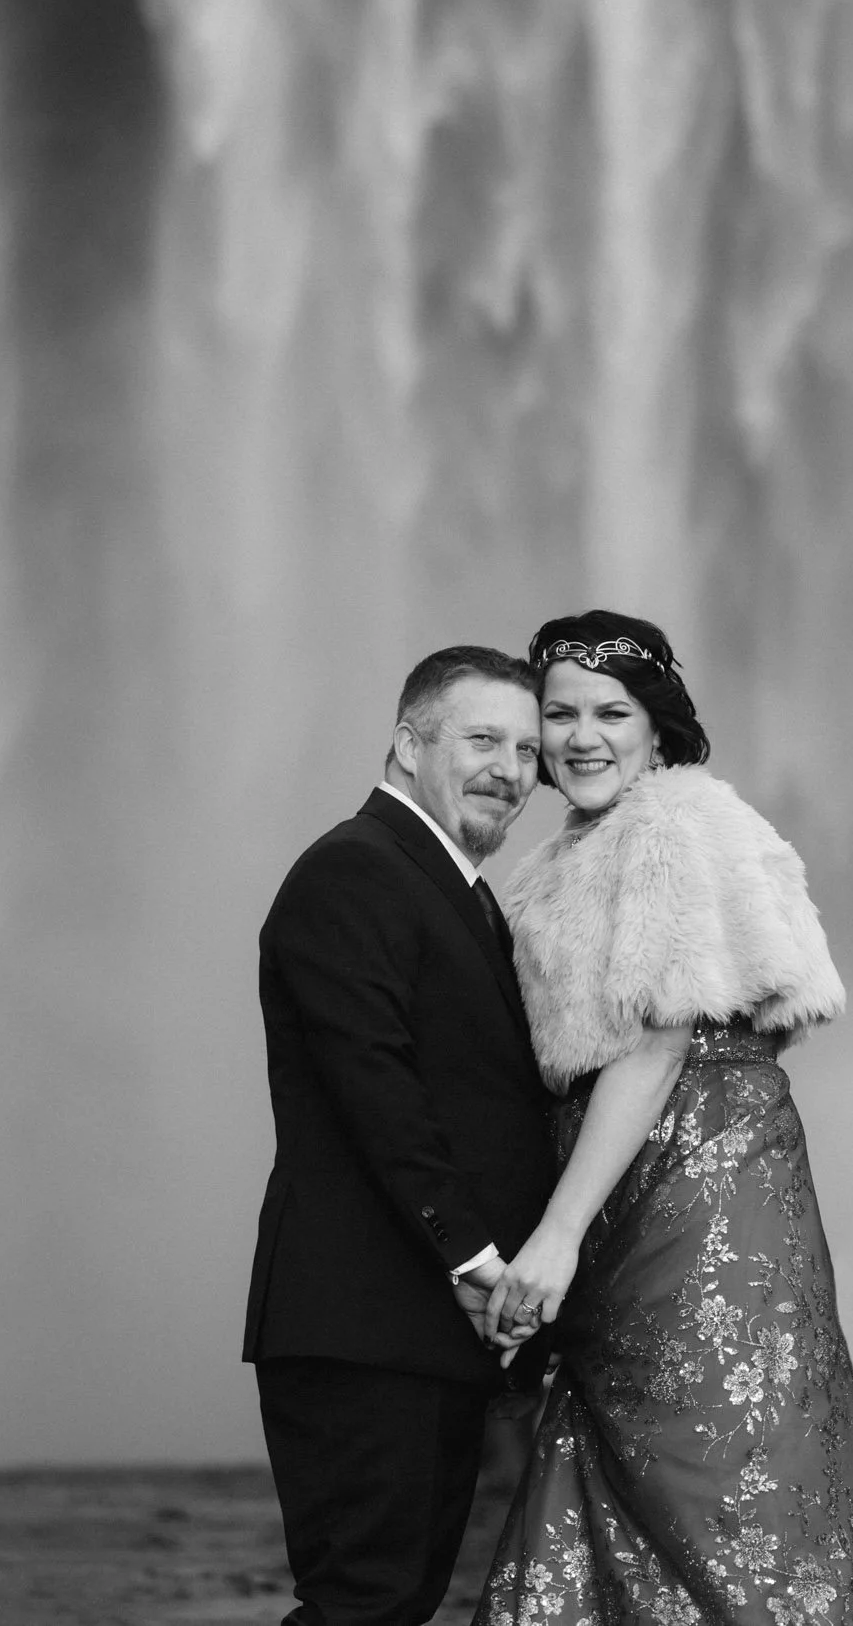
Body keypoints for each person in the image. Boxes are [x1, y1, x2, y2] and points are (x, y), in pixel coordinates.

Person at [473, 611, 853, 1626]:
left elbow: (657, 1043)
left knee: (714, 1459)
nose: (580, 737)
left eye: (609, 713)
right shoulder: (561, 856)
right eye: (559, 715)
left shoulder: (671, 824)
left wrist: (557, 1233)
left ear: (656, 726)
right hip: (631, 1181)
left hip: (694, 1191)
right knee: (650, 1448)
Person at [243, 645, 558, 1626]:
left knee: (390, 1602)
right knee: (364, 1603)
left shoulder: (450, 887)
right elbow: (375, 1089)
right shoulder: (354, 871)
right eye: (482, 740)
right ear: (406, 745)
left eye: (526, 750)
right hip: (367, 1319)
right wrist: (475, 1262)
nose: (509, 768)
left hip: (413, 1325)